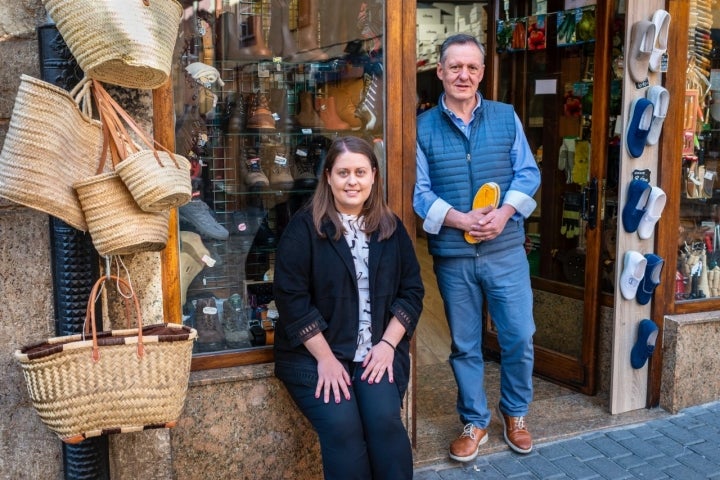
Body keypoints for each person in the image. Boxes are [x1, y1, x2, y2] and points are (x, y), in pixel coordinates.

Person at [413, 33, 541, 461]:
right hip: (453, 256)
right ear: (441, 72)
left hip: (505, 250)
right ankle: (475, 420)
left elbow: (528, 174)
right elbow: (418, 191)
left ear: (482, 73)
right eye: (455, 67)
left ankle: (516, 412)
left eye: (471, 67)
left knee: (519, 336)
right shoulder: (422, 126)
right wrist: (459, 218)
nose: (463, 75)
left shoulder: (506, 117)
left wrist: (504, 213)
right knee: (465, 344)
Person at [273, 136, 424, 479]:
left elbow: (412, 291)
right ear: (328, 177)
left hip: (376, 354)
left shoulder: (391, 228)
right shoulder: (304, 228)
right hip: (315, 354)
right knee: (343, 428)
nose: (352, 181)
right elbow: (291, 299)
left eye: (360, 172)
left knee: (384, 421)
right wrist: (325, 358)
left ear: (373, 176)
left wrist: (387, 346)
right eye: (343, 173)